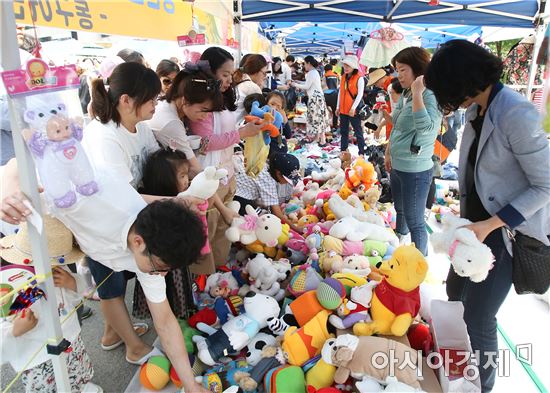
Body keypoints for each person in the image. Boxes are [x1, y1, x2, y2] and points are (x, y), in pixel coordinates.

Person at [0, 160, 210, 393]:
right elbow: (19, 162)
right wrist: (8, 191)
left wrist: (190, 385)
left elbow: (165, 322)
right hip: (28, 231)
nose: (160, 275)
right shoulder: (87, 194)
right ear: (138, 242)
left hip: (67, 244)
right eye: (159, 267)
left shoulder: (152, 253)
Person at [425, 39, 550, 392]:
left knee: (480, 316)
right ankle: (455, 375)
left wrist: (493, 223)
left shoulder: (516, 113)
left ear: (462, 80)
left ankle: (481, 386)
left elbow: (546, 184)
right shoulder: (476, 108)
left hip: (507, 233)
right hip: (474, 230)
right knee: (454, 293)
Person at [0, 217, 102, 393]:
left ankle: (81, 387)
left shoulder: (57, 266)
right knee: (49, 387)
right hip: (36, 356)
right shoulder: (8, 283)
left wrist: (72, 282)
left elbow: (77, 295)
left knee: (77, 372)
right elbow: (6, 321)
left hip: (69, 336)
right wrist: (15, 330)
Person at [188, 47, 264, 273]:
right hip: (208, 178)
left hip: (228, 174)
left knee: (223, 231)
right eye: (225, 74)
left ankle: (220, 275)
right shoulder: (199, 102)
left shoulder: (223, 98)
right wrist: (242, 134)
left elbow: (225, 136)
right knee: (206, 236)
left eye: (232, 74)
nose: (230, 80)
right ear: (208, 72)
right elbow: (203, 142)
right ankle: (204, 282)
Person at [384, 47, 442, 256]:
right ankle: (398, 244)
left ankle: (419, 264)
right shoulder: (407, 93)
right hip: (398, 165)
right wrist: (389, 152)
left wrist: (418, 93)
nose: (398, 75)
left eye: (403, 70)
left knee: (415, 221)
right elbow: (398, 125)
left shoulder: (429, 95)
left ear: (417, 69)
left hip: (415, 170)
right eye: (397, 70)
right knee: (399, 209)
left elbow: (426, 129)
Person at [133, 149, 194, 320]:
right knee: (165, 291)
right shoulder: (161, 205)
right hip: (160, 261)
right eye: (182, 176)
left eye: (186, 175)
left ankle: (177, 317)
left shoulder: (180, 197)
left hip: (173, 259)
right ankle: (170, 320)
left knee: (175, 289)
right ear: (165, 178)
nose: (187, 180)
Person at [147, 66, 223, 176]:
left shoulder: (170, 106)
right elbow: (194, 168)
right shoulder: (171, 122)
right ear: (185, 100)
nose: (205, 117)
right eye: (203, 110)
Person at [234, 153, 301, 232]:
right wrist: (296, 228)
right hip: (237, 194)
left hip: (236, 186)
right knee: (256, 221)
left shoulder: (265, 166)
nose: (287, 183)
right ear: (278, 173)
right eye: (287, 180)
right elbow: (277, 213)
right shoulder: (268, 180)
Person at [291, 56, 329, 145]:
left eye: (304, 64)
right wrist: (298, 82)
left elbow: (307, 86)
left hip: (315, 98)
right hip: (317, 98)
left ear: (308, 63)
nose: (304, 66)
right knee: (317, 118)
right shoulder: (314, 72)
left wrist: (295, 84)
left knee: (317, 118)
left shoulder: (312, 73)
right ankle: (317, 138)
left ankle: (322, 140)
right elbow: (308, 84)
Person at [337, 55, 366, 156]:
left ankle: (361, 152)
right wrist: (338, 107)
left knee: (358, 131)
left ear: (353, 66)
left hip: (354, 110)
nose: (345, 67)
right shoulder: (343, 77)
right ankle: (343, 151)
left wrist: (353, 108)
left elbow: (360, 95)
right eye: (344, 65)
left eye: (348, 65)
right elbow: (340, 92)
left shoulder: (359, 78)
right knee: (344, 132)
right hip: (343, 109)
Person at [233, 54, 269, 123]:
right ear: (256, 71)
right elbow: (262, 115)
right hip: (238, 128)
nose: (265, 77)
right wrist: (259, 88)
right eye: (264, 73)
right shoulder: (252, 87)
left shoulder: (239, 80)